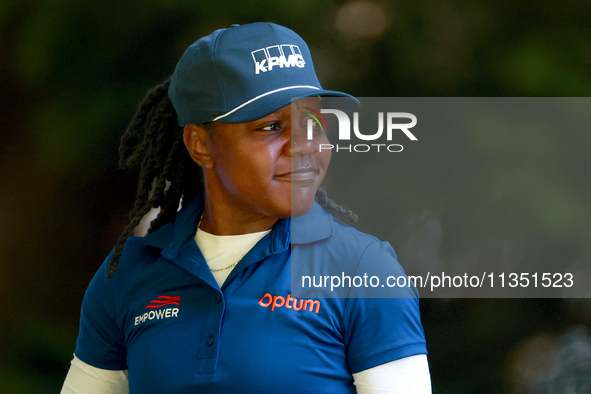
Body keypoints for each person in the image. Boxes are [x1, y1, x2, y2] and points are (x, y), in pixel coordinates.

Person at [61, 22, 431, 393]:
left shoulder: (364, 270)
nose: (303, 145)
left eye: (314, 121)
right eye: (271, 126)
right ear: (200, 145)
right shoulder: (127, 275)